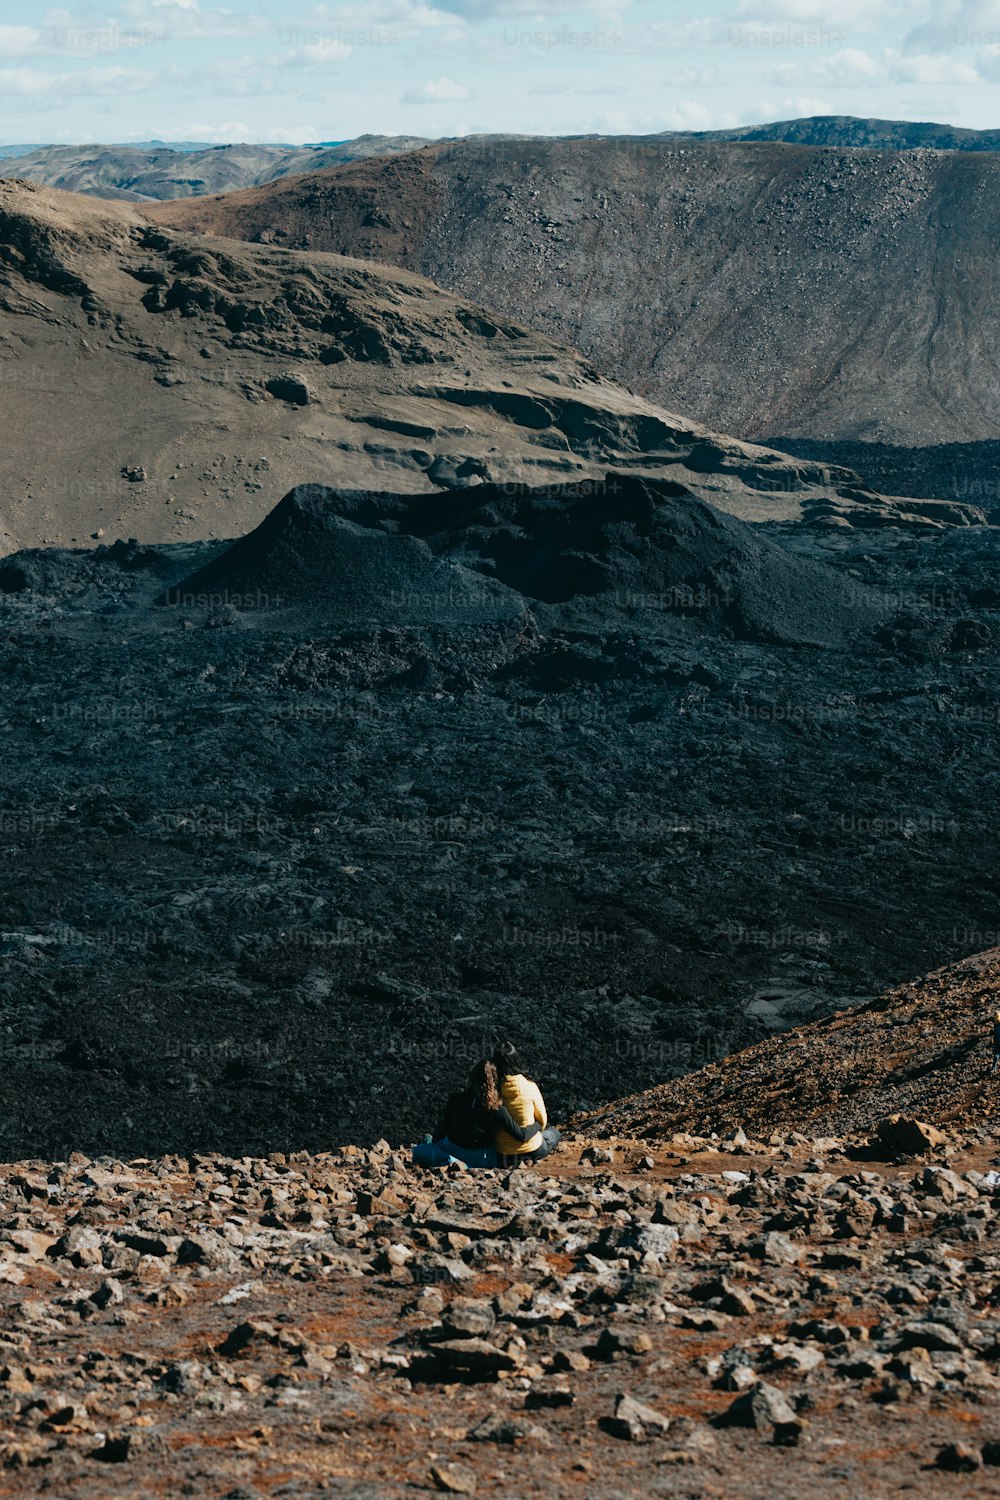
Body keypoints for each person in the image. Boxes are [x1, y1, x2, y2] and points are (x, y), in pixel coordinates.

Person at [411, 1059, 537, 1168]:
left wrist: (436, 1143)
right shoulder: (497, 1109)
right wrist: (538, 1124)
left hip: (450, 1149)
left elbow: (445, 1126)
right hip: (478, 1158)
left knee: (419, 1150)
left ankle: (436, 1149)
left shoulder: (455, 1099)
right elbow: (521, 1135)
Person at [491, 1040, 561, 1166]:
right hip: (532, 1149)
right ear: (516, 1060)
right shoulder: (530, 1086)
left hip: (502, 1153)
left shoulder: (491, 1091)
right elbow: (542, 1119)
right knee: (555, 1133)